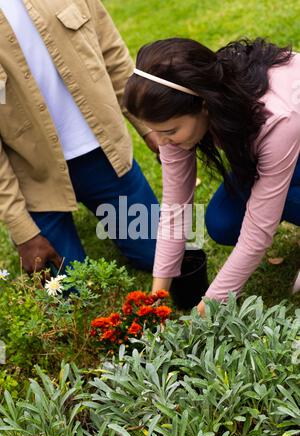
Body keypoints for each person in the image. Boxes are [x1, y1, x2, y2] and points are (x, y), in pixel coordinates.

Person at [124, 37, 300, 315]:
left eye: (169, 131)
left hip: (292, 134)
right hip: (283, 149)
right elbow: (174, 212)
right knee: (223, 222)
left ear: (204, 106)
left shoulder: (277, 119)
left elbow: (258, 231)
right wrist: (155, 297)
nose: (161, 142)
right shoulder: (178, 116)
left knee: (281, 198)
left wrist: (208, 306)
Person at [0, 0, 160, 276]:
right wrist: (23, 230)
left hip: (105, 158)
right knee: (68, 291)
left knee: (170, 256)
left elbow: (113, 55)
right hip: (36, 182)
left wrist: (150, 127)